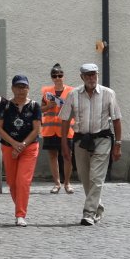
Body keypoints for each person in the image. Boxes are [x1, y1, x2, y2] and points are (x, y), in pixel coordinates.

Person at [62, 62, 123, 226]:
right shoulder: (73, 95)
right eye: (88, 75)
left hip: (102, 139)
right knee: (85, 177)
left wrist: (118, 144)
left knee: (96, 177)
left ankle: (88, 213)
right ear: (82, 77)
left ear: (97, 75)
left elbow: (117, 119)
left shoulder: (108, 93)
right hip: (81, 140)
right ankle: (98, 207)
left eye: (94, 75)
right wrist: (64, 144)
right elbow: (65, 120)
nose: (91, 78)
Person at [0, 74, 42, 226]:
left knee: (23, 181)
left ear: (28, 88)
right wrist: (14, 144)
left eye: (24, 87)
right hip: (9, 146)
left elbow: (36, 129)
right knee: (12, 182)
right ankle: (20, 206)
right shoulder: (5, 105)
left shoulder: (34, 106)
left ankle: (20, 214)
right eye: (18, 87)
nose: (21, 90)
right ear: (13, 88)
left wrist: (22, 145)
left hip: (29, 147)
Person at [40, 65, 76, 194]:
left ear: (63, 76)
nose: (57, 78)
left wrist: (65, 106)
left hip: (66, 130)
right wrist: (48, 106)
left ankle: (67, 183)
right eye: (54, 76)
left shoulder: (71, 91)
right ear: (51, 77)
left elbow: (76, 109)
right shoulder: (46, 92)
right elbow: (40, 109)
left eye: (60, 75)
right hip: (50, 129)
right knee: (52, 156)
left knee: (67, 156)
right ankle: (57, 183)